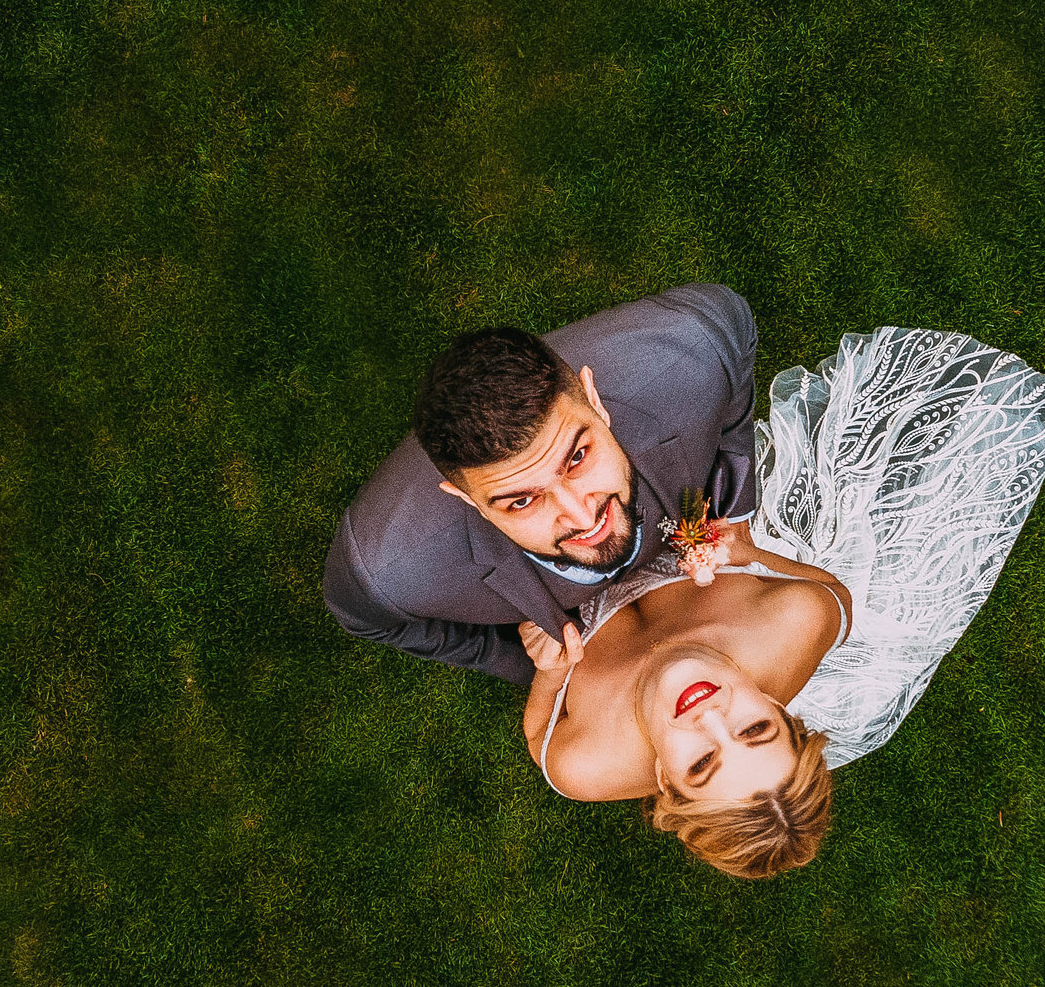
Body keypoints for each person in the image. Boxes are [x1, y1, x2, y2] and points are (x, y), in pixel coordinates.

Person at [522, 325, 1045, 880]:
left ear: (666, 782)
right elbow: (837, 594)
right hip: (705, 567)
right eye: (754, 731)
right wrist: (747, 551)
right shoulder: (795, 620)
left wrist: (550, 673)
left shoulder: (583, 766)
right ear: (784, 714)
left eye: (702, 764)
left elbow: (539, 732)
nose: (712, 718)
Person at [321, 283, 764, 686]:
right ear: (466, 501)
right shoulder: (388, 571)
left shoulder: (692, 348)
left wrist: (735, 510)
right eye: (521, 501)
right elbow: (365, 619)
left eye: (576, 458)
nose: (582, 514)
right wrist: (512, 658)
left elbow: (735, 320)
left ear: (594, 400)